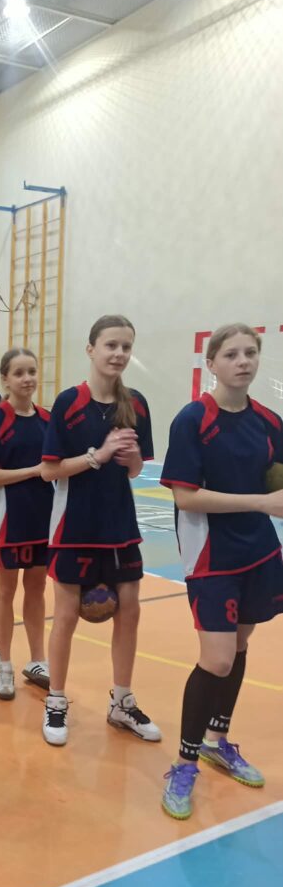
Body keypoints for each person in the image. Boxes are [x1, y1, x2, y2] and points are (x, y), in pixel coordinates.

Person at [160, 324, 283, 819]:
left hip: (259, 551)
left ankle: (217, 740)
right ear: (211, 363)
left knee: (239, 647)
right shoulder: (193, 419)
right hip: (211, 553)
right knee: (216, 659)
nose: (243, 361)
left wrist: (269, 501)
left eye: (250, 352)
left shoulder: (269, 421)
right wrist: (262, 503)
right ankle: (184, 763)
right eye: (231, 354)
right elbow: (186, 497)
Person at [40, 315, 161, 746]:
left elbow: (135, 470)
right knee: (66, 616)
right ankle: (56, 700)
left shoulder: (137, 404)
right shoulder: (68, 403)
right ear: (91, 349)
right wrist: (99, 454)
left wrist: (130, 460)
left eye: (126, 346)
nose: (119, 353)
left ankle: (121, 701)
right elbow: (49, 470)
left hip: (119, 527)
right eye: (111, 345)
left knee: (130, 612)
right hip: (75, 527)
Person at [0, 348, 54, 699]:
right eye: (19, 373)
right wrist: (33, 471)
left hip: (43, 518)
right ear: (5, 379)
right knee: (6, 590)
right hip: (8, 519)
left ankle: (38, 661)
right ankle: (4, 666)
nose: (27, 378)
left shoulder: (48, 420)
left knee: (37, 588)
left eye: (31, 371)